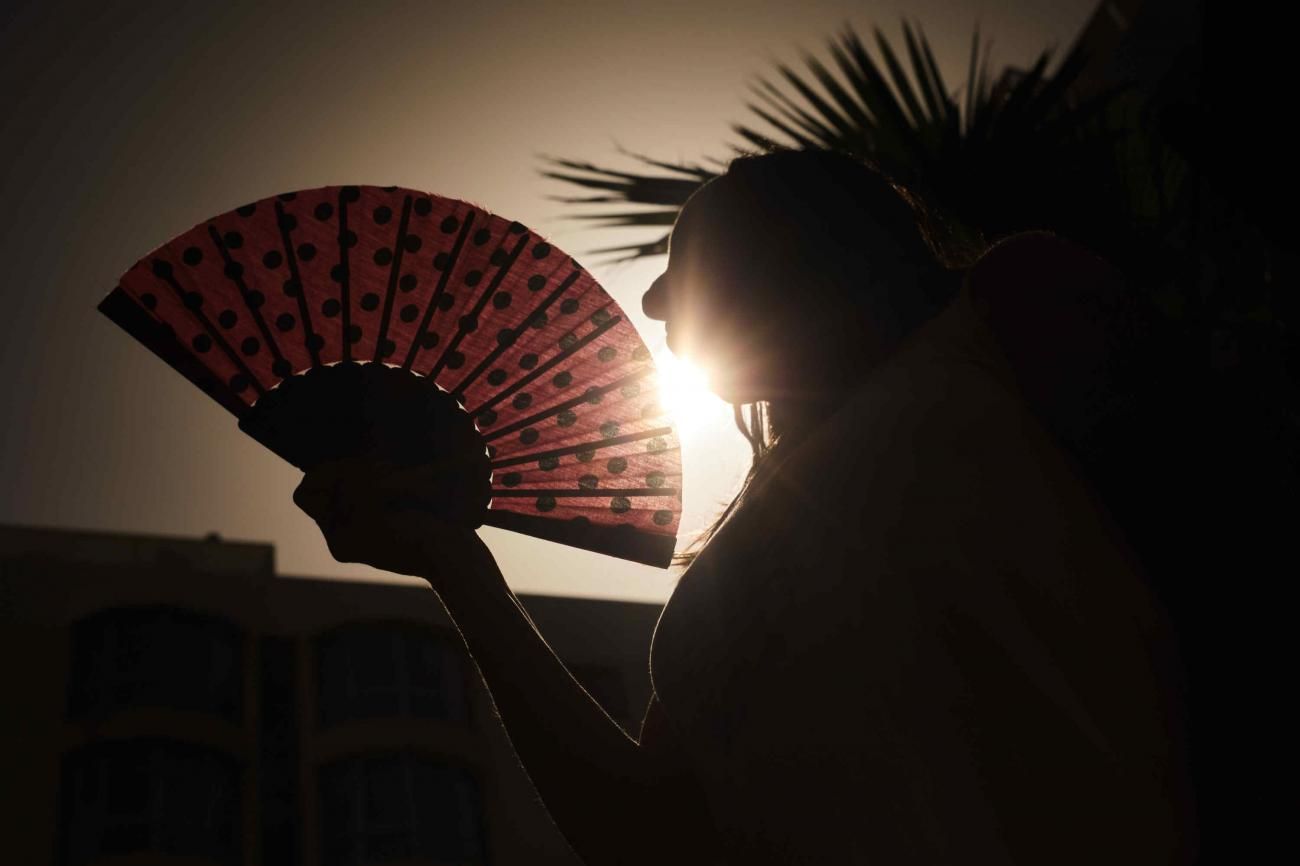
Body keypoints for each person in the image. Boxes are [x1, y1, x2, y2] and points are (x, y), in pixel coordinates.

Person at [293, 149, 1198, 864]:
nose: (651, 297)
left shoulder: (1004, 313)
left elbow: (1237, 543)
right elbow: (646, 835)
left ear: (801, 242)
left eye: (687, 252)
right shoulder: (720, 583)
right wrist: (458, 566)